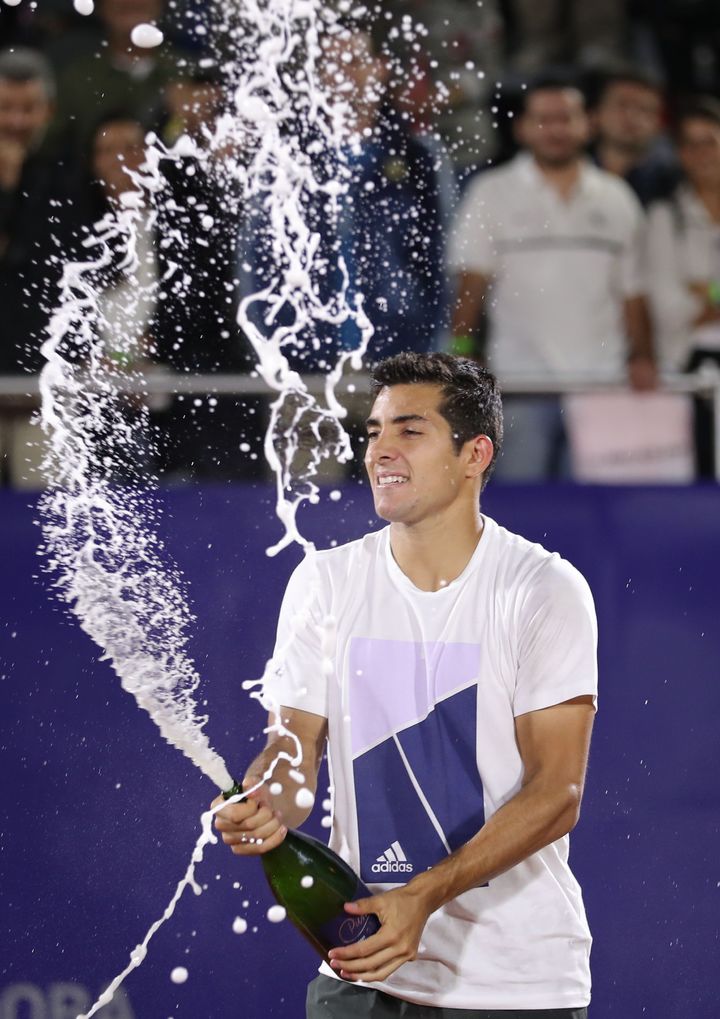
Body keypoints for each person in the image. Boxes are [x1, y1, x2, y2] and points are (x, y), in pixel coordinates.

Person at [214, 351, 597, 1018]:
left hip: (515, 986)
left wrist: (421, 895)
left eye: (409, 430)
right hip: (364, 973)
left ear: (474, 453)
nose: (380, 451)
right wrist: (266, 799)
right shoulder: (324, 583)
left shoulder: (542, 588)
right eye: (373, 431)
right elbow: (292, 751)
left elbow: (557, 791)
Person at [449, 78, 656, 480]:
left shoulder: (617, 198)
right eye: (543, 119)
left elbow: (633, 293)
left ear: (588, 124)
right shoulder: (491, 192)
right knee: (523, 522)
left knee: (604, 517)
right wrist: (461, 350)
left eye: (566, 118)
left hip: (604, 385)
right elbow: (471, 283)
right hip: (519, 386)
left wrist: (643, 357)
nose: (556, 129)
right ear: (521, 128)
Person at [0, 47, 74, 487]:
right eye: (6, 108)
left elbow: (50, 265)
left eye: (28, 109)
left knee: (42, 515)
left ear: (48, 110)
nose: (16, 122)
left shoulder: (68, 174)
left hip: (41, 386)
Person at [645, 98, 720, 476]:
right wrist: (709, 296)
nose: (701, 153)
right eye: (690, 145)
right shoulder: (665, 216)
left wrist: (702, 291)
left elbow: (690, 296)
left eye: (709, 141)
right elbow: (665, 303)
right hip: (691, 365)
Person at [588, 66, 679, 207]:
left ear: (659, 124)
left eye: (644, 109)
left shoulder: (673, 185)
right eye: (622, 105)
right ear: (596, 114)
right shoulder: (569, 170)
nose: (632, 117)